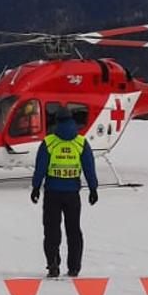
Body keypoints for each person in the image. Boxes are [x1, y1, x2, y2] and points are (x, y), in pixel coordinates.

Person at [30, 108, 99, 278]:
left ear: (56, 122)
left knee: (52, 230)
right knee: (74, 230)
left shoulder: (49, 142)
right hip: (72, 195)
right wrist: (93, 188)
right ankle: (74, 267)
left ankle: (53, 264)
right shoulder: (81, 143)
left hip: (52, 193)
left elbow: (40, 168)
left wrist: (36, 187)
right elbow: (89, 167)